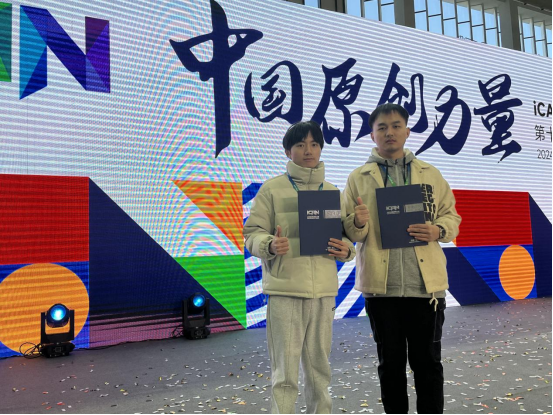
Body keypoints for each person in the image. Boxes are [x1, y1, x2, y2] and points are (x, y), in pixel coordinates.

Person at [343, 103, 462, 414]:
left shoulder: (430, 173)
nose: (389, 132)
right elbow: (351, 232)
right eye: (381, 127)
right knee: (390, 365)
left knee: (428, 364)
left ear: (407, 132)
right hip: (382, 290)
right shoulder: (358, 178)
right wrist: (357, 222)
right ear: (372, 135)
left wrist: (438, 230)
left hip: (426, 289)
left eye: (396, 126)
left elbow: (451, 217)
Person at [244, 121, 355, 414]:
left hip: (324, 293)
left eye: (314, 144)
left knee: (320, 369)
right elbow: (252, 233)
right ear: (287, 151)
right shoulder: (272, 189)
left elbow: (345, 237)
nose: (309, 150)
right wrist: (269, 245)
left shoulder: (332, 191)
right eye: (301, 145)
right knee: (285, 373)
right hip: (286, 290)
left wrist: (347, 250)